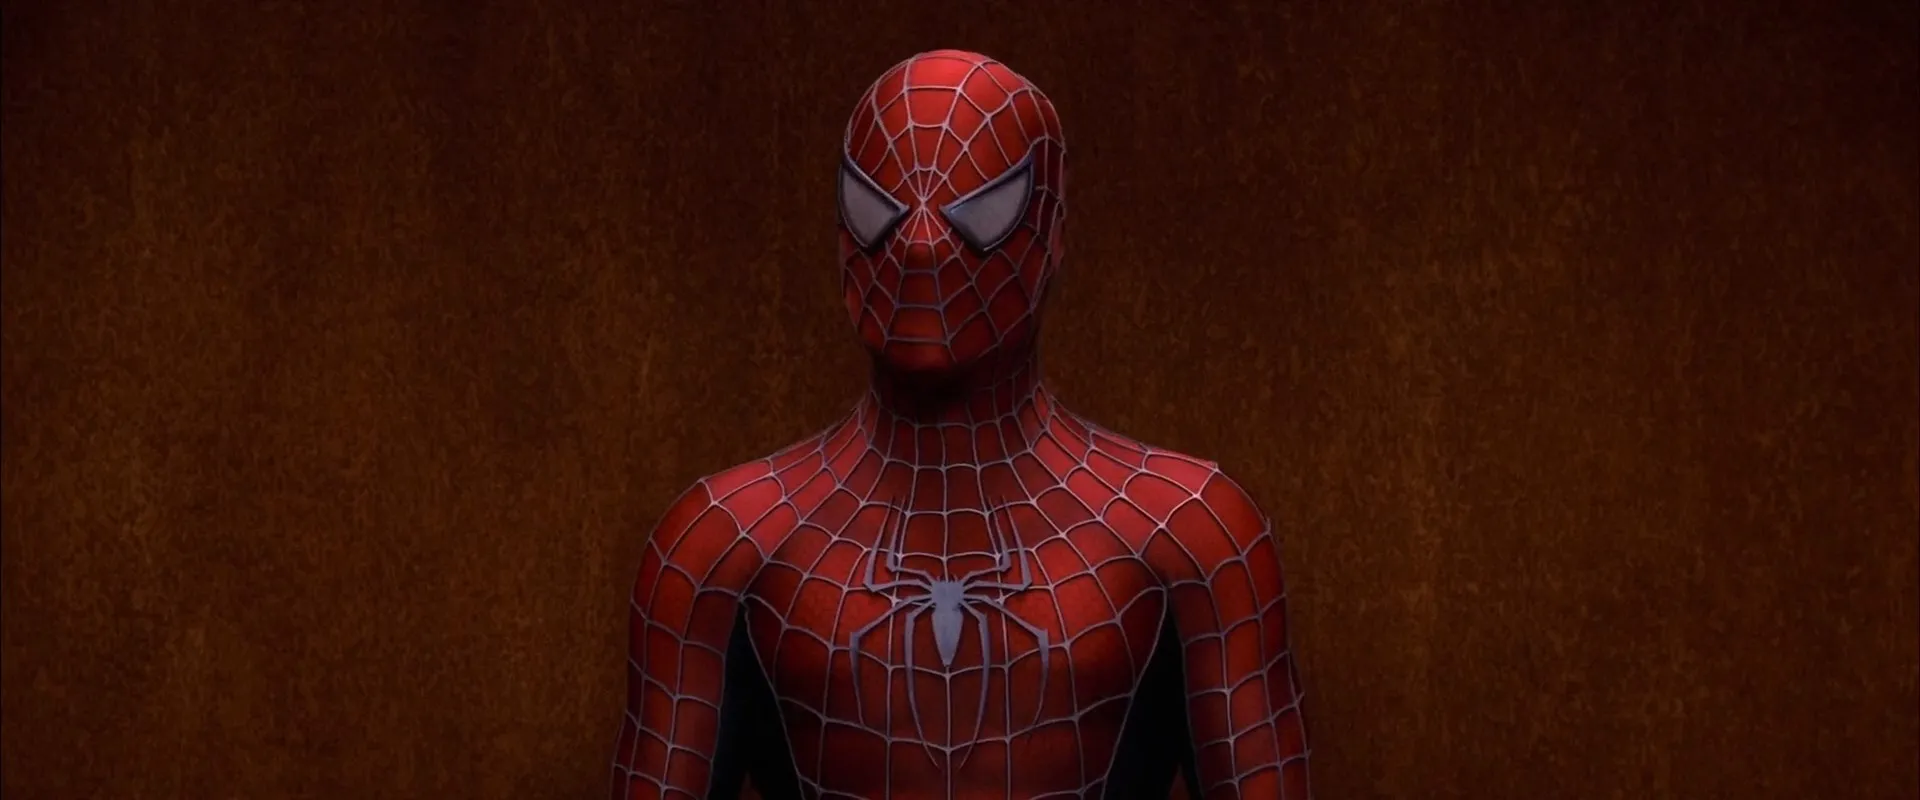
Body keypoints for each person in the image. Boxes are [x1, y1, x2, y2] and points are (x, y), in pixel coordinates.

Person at [612, 49, 1312, 800]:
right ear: (840, 225)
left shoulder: (1192, 534)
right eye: (878, 211)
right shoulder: (721, 545)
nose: (920, 246)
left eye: (978, 214)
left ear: (1051, 228)